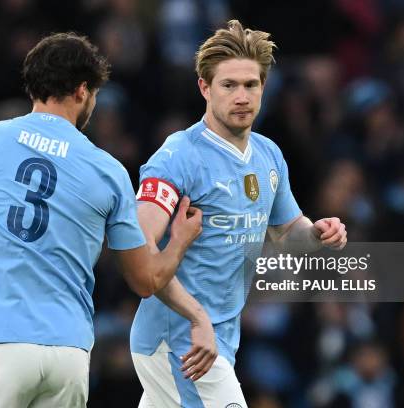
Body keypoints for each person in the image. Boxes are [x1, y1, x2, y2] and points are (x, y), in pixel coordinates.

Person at [0, 32, 202, 408]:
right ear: (83, 90)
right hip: (68, 352)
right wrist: (179, 238)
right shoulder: (108, 171)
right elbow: (145, 280)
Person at [130, 20, 347, 407]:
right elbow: (140, 248)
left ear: (264, 87)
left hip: (219, 338)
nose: (242, 96)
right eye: (229, 85)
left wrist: (318, 234)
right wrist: (197, 318)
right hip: (179, 340)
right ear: (204, 87)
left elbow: (287, 232)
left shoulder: (268, 155)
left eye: (251, 84)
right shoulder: (179, 156)